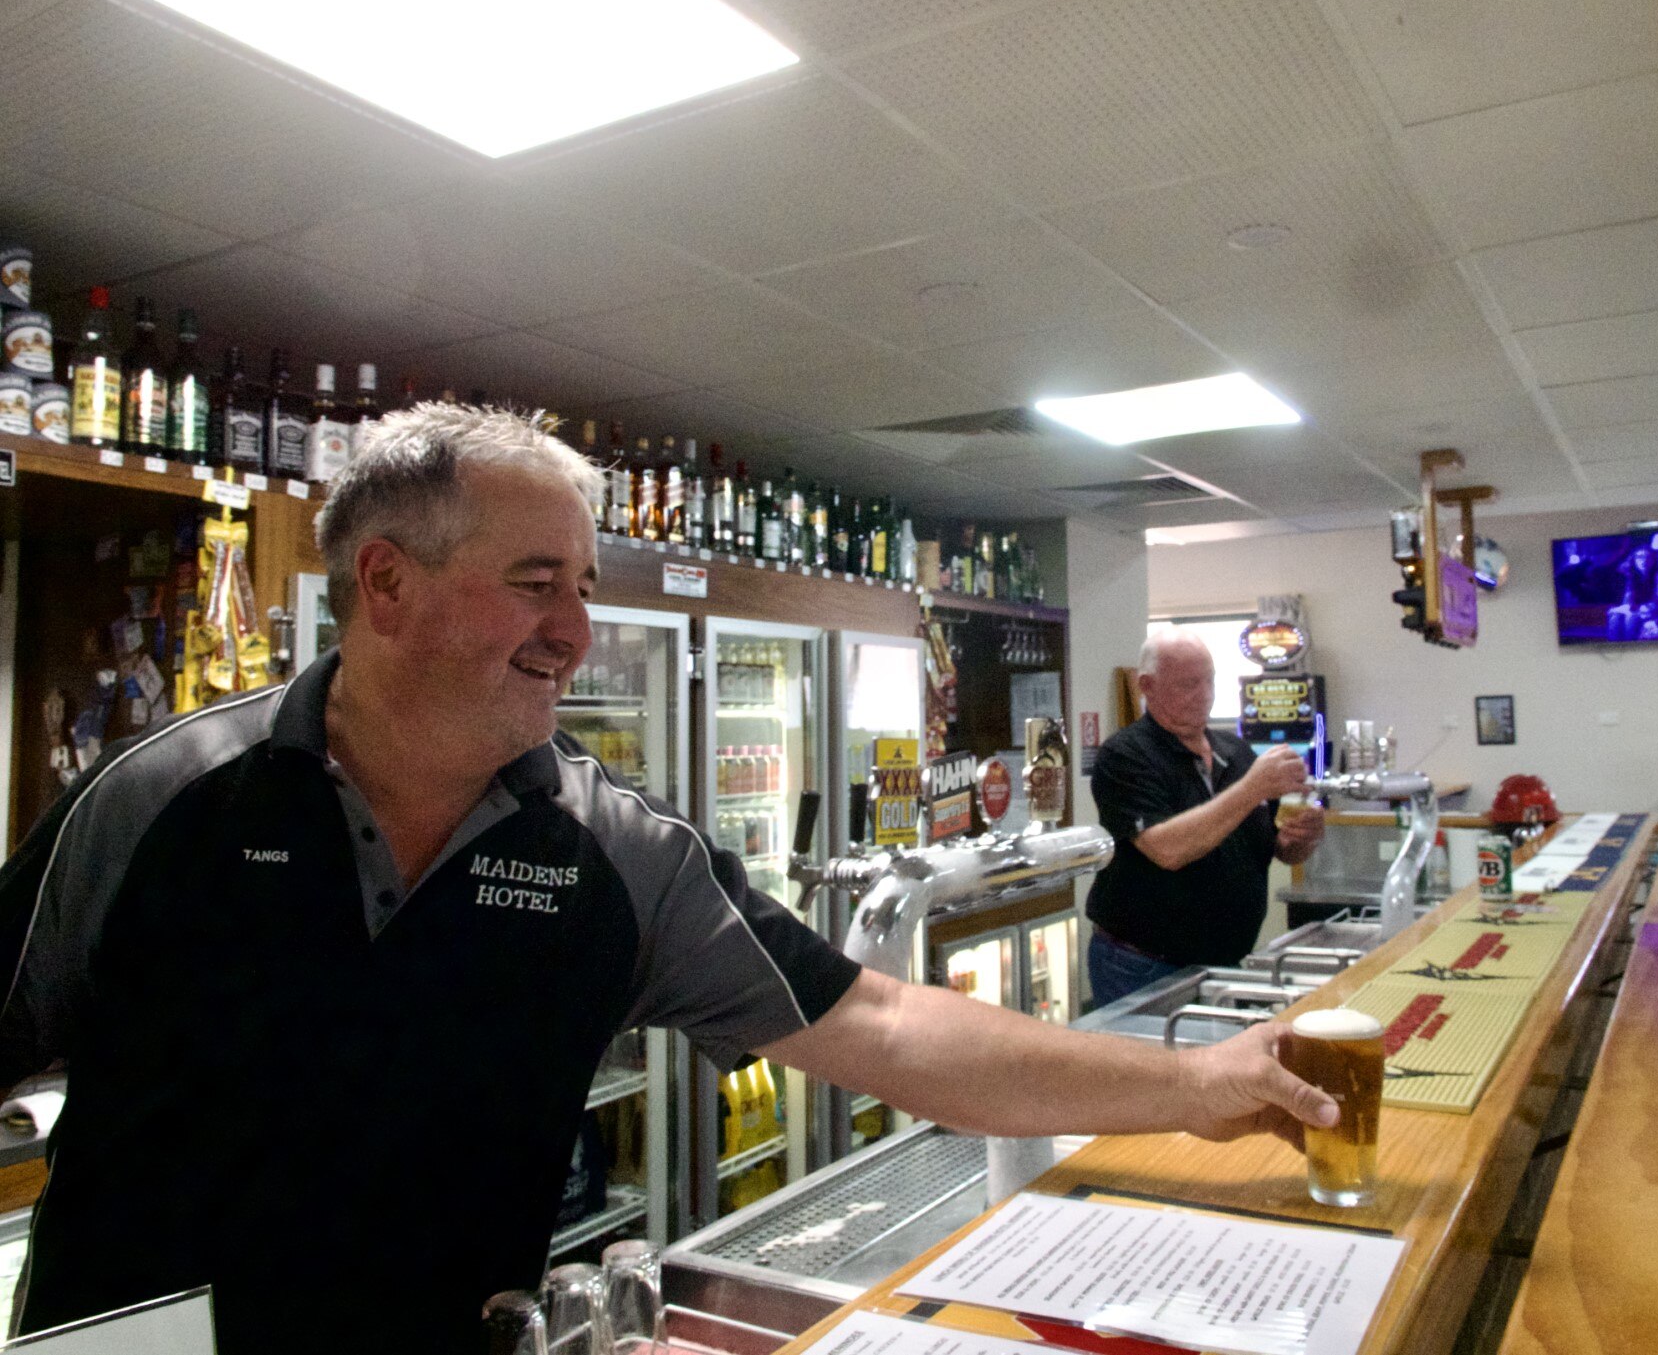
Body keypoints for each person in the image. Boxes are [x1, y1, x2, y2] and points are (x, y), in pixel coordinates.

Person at [0, 406, 1337, 1354]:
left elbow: (875, 1022)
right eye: (535, 584)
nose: (576, 631)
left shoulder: (612, 847)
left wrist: (1199, 1083)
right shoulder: (156, 803)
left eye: (583, 586)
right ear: (387, 586)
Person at [1085, 629, 1326, 1008]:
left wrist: (1302, 838)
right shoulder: (1126, 755)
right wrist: (1252, 788)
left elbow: (1280, 848)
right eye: (1189, 684)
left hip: (1225, 962)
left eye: (1210, 680)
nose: (1206, 695)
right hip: (1143, 965)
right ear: (1147, 686)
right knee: (1152, 1067)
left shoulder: (1236, 751)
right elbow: (1168, 849)